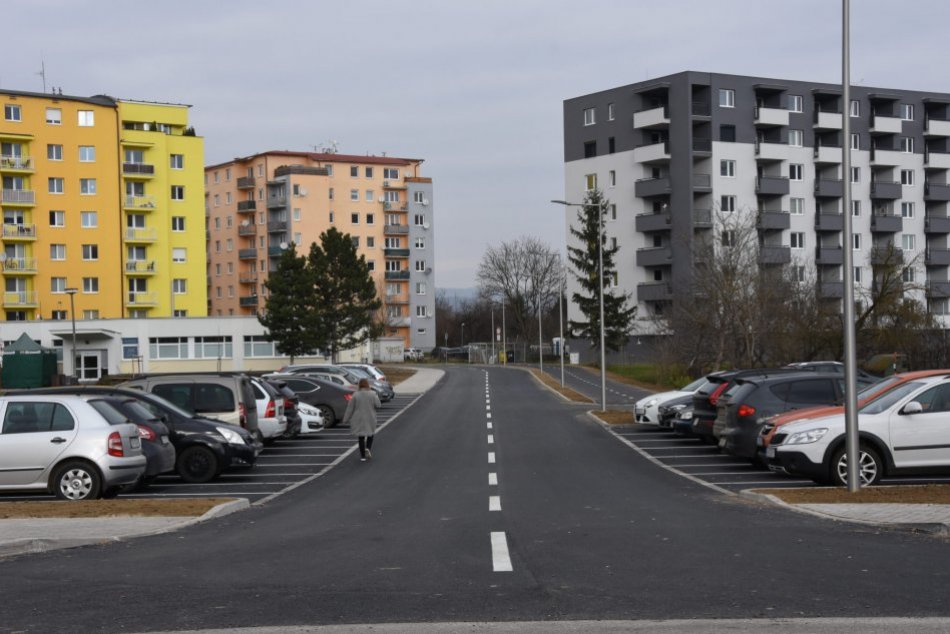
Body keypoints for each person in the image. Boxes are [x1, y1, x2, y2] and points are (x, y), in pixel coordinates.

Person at [342, 378, 381, 461]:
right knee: (370, 434)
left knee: (361, 437)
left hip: (358, 418)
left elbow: (350, 408)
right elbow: (378, 405)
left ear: (359, 385)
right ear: (367, 384)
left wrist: (345, 420)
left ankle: (363, 457)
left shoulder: (355, 394)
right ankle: (368, 448)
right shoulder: (373, 393)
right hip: (370, 417)